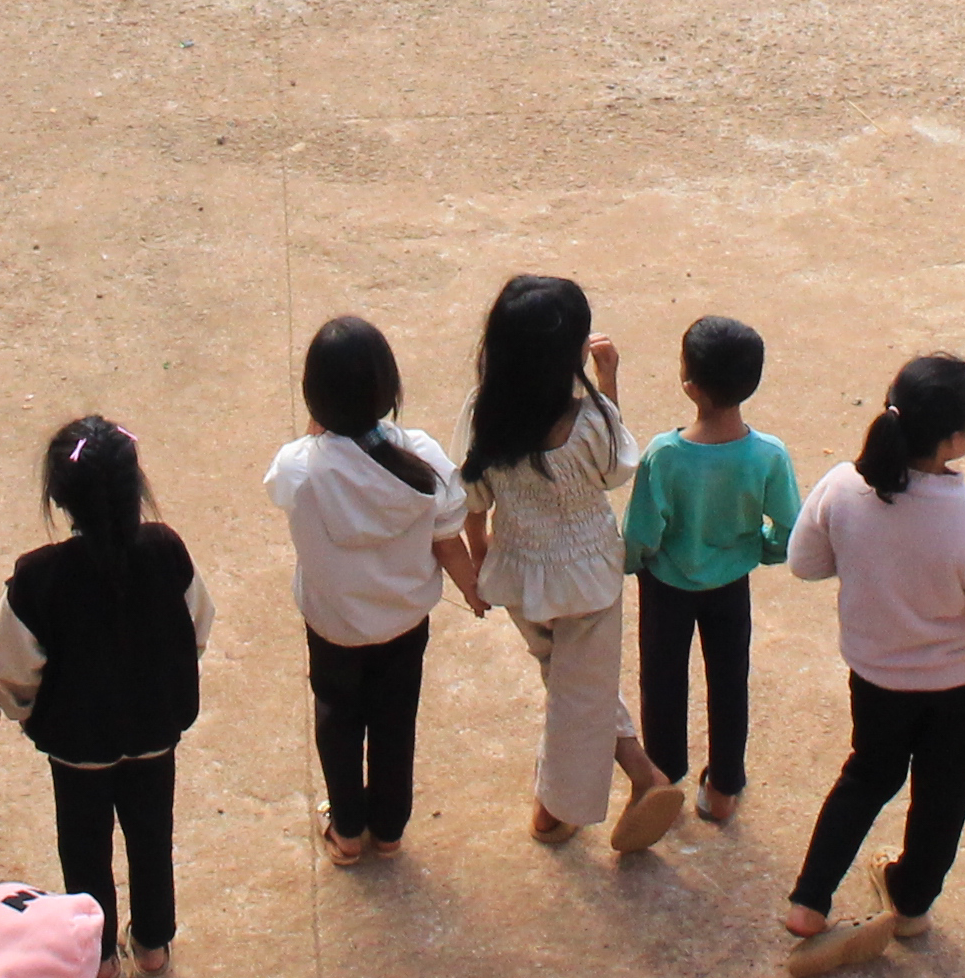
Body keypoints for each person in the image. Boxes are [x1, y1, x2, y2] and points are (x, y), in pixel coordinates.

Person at [783, 351, 965, 978]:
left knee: (866, 776)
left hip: (876, 678)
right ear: (957, 437)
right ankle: (912, 902)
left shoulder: (844, 487)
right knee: (943, 794)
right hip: (959, 685)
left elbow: (805, 563)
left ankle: (810, 901)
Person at [455, 273, 675, 857]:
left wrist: (481, 567)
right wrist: (609, 381)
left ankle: (625, 781)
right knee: (582, 686)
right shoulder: (590, 418)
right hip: (588, 574)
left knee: (569, 677)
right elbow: (615, 469)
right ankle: (571, 803)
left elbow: (472, 505)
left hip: (520, 574)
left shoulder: (483, 414)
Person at [0, 413, 208, 978]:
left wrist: (27, 713)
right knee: (151, 835)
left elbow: (14, 669)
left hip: (76, 744)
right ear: (135, 488)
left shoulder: (37, 577)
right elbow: (197, 626)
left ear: (59, 499)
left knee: (83, 846)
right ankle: (155, 951)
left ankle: (103, 965)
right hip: (154, 731)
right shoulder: (166, 550)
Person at [266, 314, 465, 863]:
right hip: (405, 623)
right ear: (389, 387)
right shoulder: (423, 457)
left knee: (337, 719)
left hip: (333, 627)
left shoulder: (300, 468)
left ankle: (347, 830)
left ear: (314, 397)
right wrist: (473, 590)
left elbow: (285, 479)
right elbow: (449, 540)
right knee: (396, 722)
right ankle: (390, 829)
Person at [622, 312, 797, 824]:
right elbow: (789, 528)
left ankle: (665, 778)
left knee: (662, 680)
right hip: (730, 584)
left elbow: (641, 534)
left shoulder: (665, 454)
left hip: (667, 585)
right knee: (728, 680)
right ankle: (723, 788)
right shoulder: (768, 455)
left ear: (689, 385)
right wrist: (759, 550)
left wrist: (632, 565)